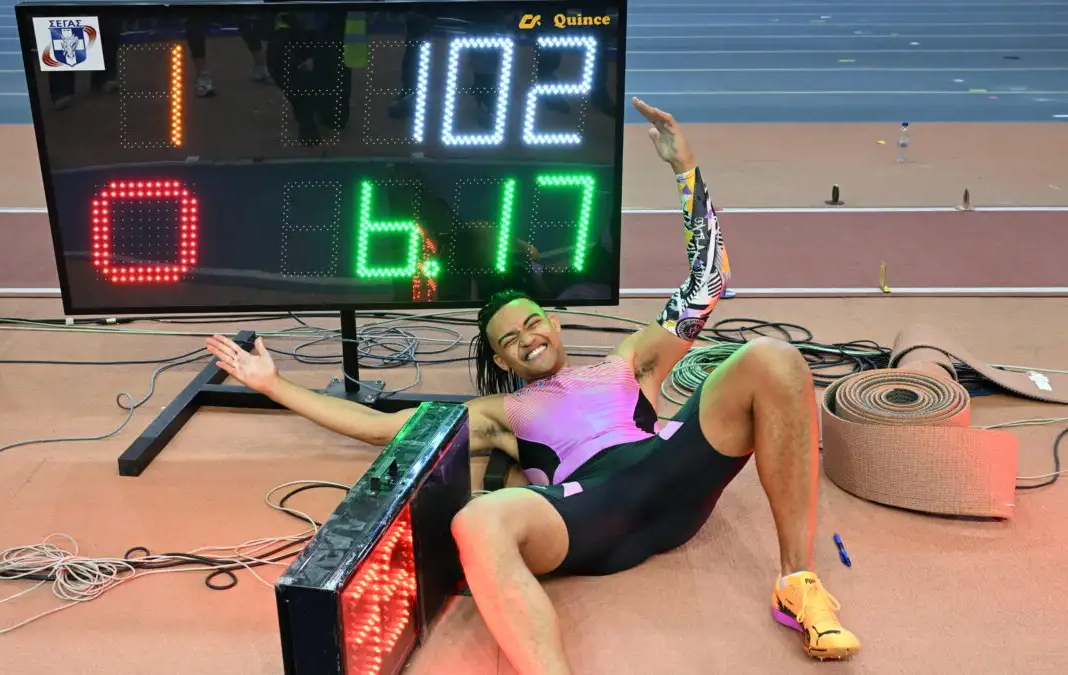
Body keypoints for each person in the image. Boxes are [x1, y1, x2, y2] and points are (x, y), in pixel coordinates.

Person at [205, 98, 860, 673]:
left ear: (554, 321)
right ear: (503, 358)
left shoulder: (629, 362)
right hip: (591, 510)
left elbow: (707, 283)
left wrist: (684, 169)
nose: (527, 338)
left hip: (671, 471)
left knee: (771, 357)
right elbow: (381, 428)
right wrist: (273, 384)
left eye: (532, 323)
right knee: (477, 519)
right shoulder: (503, 412)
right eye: (510, 339)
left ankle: (797, 583)